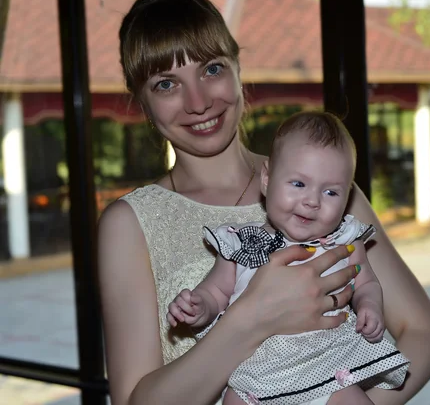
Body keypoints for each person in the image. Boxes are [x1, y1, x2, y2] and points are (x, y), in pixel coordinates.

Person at [98, 0, 430, 405]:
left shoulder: (322, 190)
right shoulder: (131, 223)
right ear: (141, 99)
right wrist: (252, 317)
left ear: (237, 68)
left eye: (211, 70)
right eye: (166, 83)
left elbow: (427, 337)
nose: (198, 102)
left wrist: (334, 398)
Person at [167, 111, 410, 404]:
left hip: (328, 369)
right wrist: (198, 306)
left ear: (347, 197)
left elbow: (367, 282)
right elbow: (216, 291)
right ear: (267, 179)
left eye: (331, 192)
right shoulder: (241, 242)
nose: (312, 201)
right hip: (253, 372)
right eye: (298, 184)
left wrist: (370, 306)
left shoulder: (343, 242)